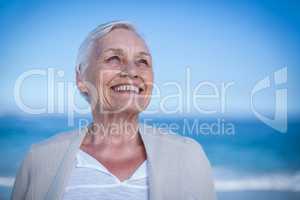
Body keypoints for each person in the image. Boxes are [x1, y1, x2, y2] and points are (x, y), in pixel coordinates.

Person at [11, 21, 216, 200]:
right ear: (81, 78)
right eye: (114, 59)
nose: (132, 72)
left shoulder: (189, 156)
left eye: (142, 61)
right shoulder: (39, 160)